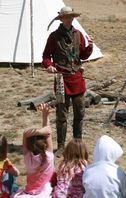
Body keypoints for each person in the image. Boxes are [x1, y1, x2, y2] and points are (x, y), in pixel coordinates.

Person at [42, 5, 93, 157]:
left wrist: (89, 47)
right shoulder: (54, 36)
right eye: (67, 17)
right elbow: (45, 56)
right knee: (61, 115)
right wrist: (49, 66)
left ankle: (77, 144)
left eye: (72, 16)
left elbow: (83, 56)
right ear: (62, 18)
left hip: (77, 78)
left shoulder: (78, 35)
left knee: (79, 113)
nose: (70, 19)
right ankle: (61, 146)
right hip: (61, 80)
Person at [12, 104, 55, 197]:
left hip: (29, 194)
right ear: (45, 145)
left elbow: (25, 134)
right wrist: (45, 116)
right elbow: (48, 133)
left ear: (28, 146)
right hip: (46, 193)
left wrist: (40, 131)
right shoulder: (49, 156)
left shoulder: (28, 158)